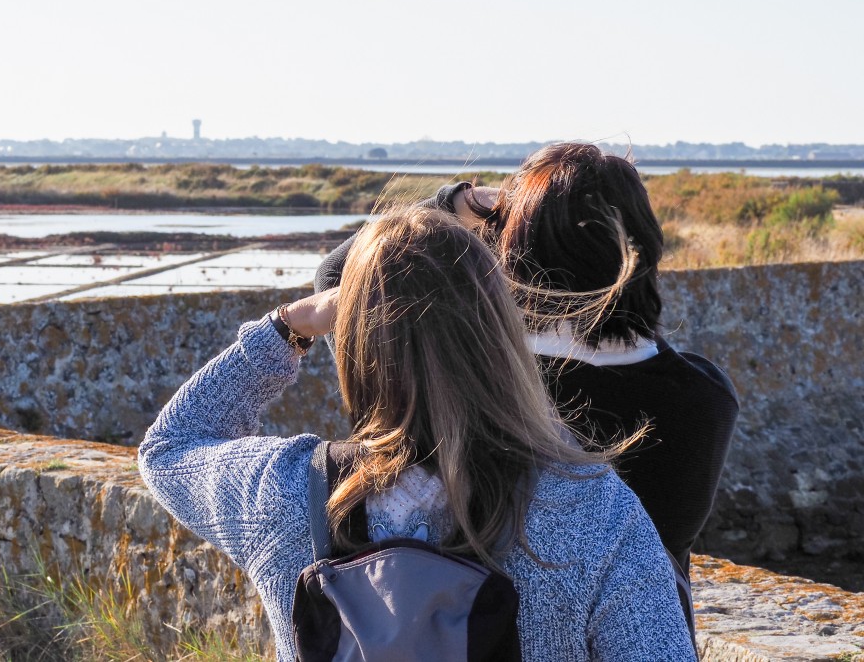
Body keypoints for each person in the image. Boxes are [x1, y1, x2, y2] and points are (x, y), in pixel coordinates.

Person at [140, 206, 696, 662]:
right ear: (499, 335)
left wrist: (291, 327)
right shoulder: (590, 509)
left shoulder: (283, 494)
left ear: (356, 347)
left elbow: (172, 446)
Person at [315, 142, 739, 570]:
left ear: (509, 252)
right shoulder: (705, 398)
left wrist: (456, 204)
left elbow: (338, 278)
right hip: (648, 633)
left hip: (483, 629)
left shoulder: (460, 380)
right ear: (645, 250)